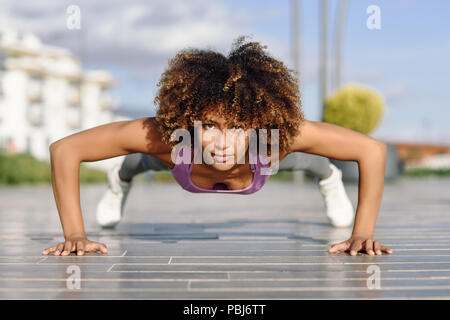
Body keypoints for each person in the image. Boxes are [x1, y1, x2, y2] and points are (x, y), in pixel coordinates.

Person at [42, 35, 392, 257]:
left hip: (260, 164)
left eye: (238, 128)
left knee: (303, 160)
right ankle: (120, 181)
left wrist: (362, 233)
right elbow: (65, 149)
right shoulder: (168, 136)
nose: (223, 143)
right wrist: (75, 234)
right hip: (179, 162)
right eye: (209, 126)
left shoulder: (274, 137)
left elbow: (372, 151)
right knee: (141, 160)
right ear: (190, 120)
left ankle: (328, 179)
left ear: (257, 123)